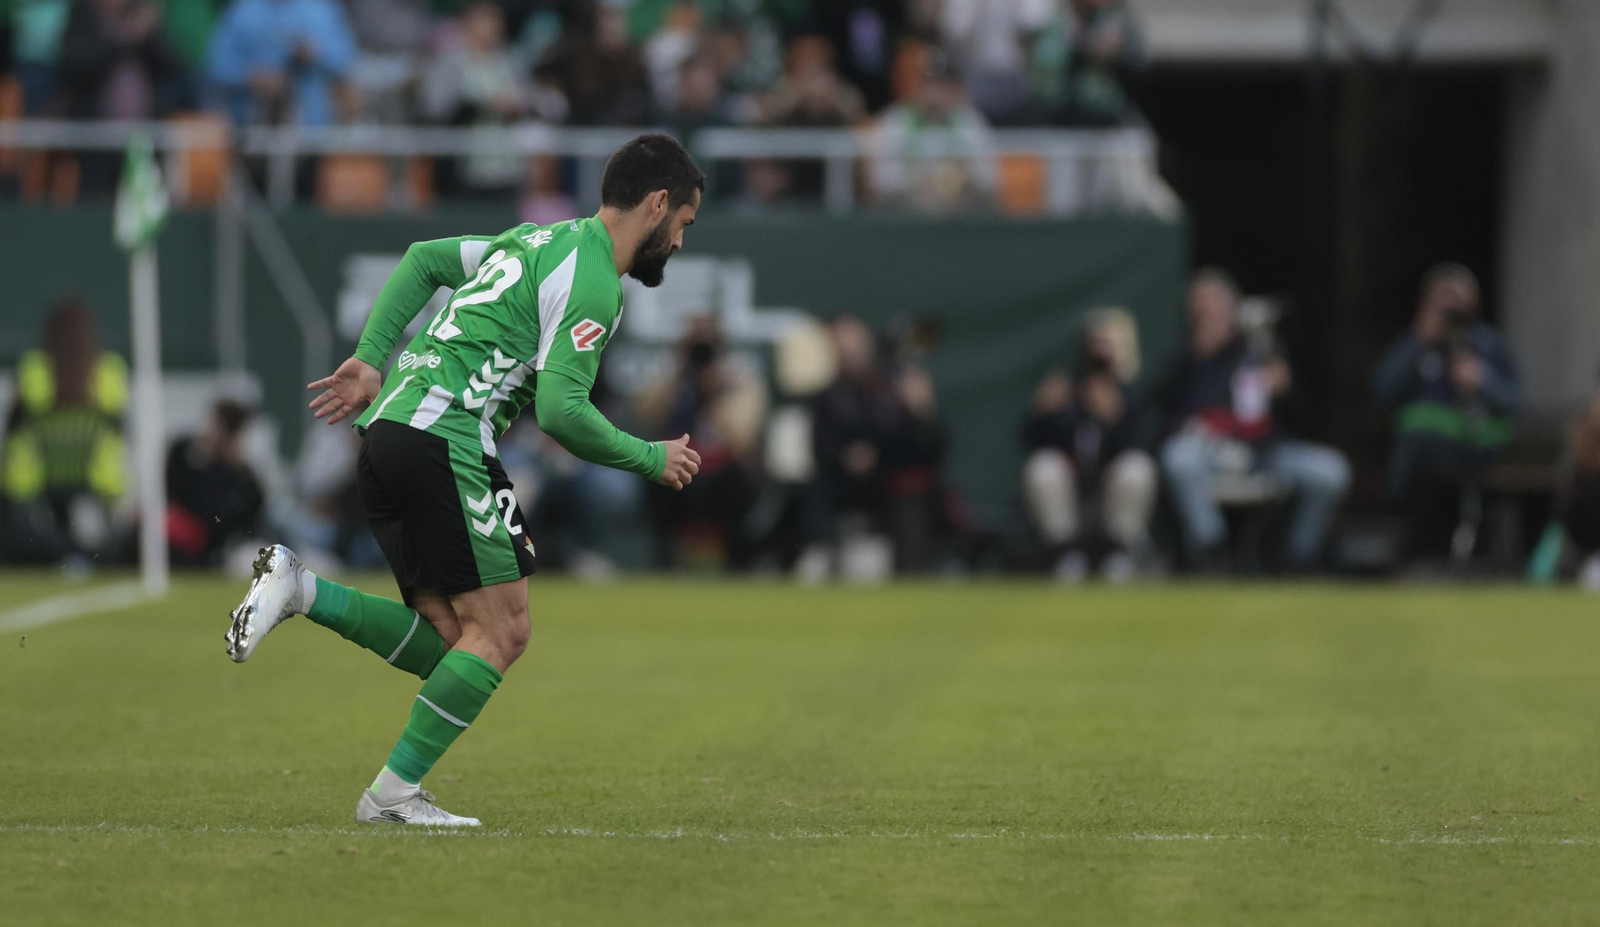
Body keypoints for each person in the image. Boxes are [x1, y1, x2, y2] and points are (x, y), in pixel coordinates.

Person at [223, 134, 705, 827]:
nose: (680, 243)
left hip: (389, 433)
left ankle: (301, 588)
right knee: (505, 631)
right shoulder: (595, 279)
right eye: (683, 224)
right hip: (444, 436)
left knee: (455, 639)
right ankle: (390, 794)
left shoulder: (536, 241)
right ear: (657, 203)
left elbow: (424, 261)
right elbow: (561, 412)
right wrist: (650, 457)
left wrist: (368, 358)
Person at [1154, 268, 1350, 572]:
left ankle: (1299, 557)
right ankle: (1211, 551)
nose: (1205, 318)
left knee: (1331, 471)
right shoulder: (1185, 356)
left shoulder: (1260, 350)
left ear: (1231, 310)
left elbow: (1301, 416)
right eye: (1198, 312)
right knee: (1178, 458)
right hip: (1209, 451)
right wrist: (1195, 361)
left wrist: (1285, 389)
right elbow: (1161, 410)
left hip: (1264, 453)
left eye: (1212, 310)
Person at [1371, 263, 1520, 562]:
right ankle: (1416, 538)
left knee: (1418, 445)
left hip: (1476, 444)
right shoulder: (1418, 343)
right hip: (1427, 454)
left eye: (1457, 297)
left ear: (1473, 303)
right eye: (1442, 297)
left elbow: (1516, 403)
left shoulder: (1488, 344)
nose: (1449, 306)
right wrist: (1417, 342)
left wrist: (1482, 382)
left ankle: (1411, 531)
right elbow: (1382, 391)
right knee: (1418, 443)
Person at [1020, 310, 1155, 582]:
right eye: (1093, 345)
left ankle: (1120, 554)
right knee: (1043, 466)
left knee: (1136, 468)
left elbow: (1141, 445)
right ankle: (1066, 554)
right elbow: (1029, 440)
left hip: (1108, 498)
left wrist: (1113, 419)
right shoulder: (1065, 390)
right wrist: (1043, 412)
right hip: (1071, 499)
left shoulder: (1129, 395)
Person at [1, 300, 129, 565]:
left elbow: (13, 426)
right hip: (98, 477)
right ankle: (78, 551)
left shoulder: (33, 369)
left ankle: (57, 550)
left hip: (34, 479)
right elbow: (121, 429)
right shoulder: (110, 371)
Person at [870, 48, 997, 214]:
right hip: (906, 215)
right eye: (928, 83)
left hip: (959, 216)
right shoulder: (896, 120)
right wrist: (918, 183)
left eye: (941, 84)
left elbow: (990, 179)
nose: (935, 92)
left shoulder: (969, 121)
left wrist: (963, 177)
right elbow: (880, 180)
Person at [206, 0, 356, 127]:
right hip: (253, 125)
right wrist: (251, 77)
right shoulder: (243, 12)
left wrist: (316, 55)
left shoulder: (321, 10)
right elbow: (216, 66)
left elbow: (347, 60)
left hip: (314, 129)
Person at [165, 399, 266, 567]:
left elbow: (227, 519)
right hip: (183, 533)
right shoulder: (188, 454)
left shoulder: (242, 479)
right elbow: (173, 488)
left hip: (217, 545)